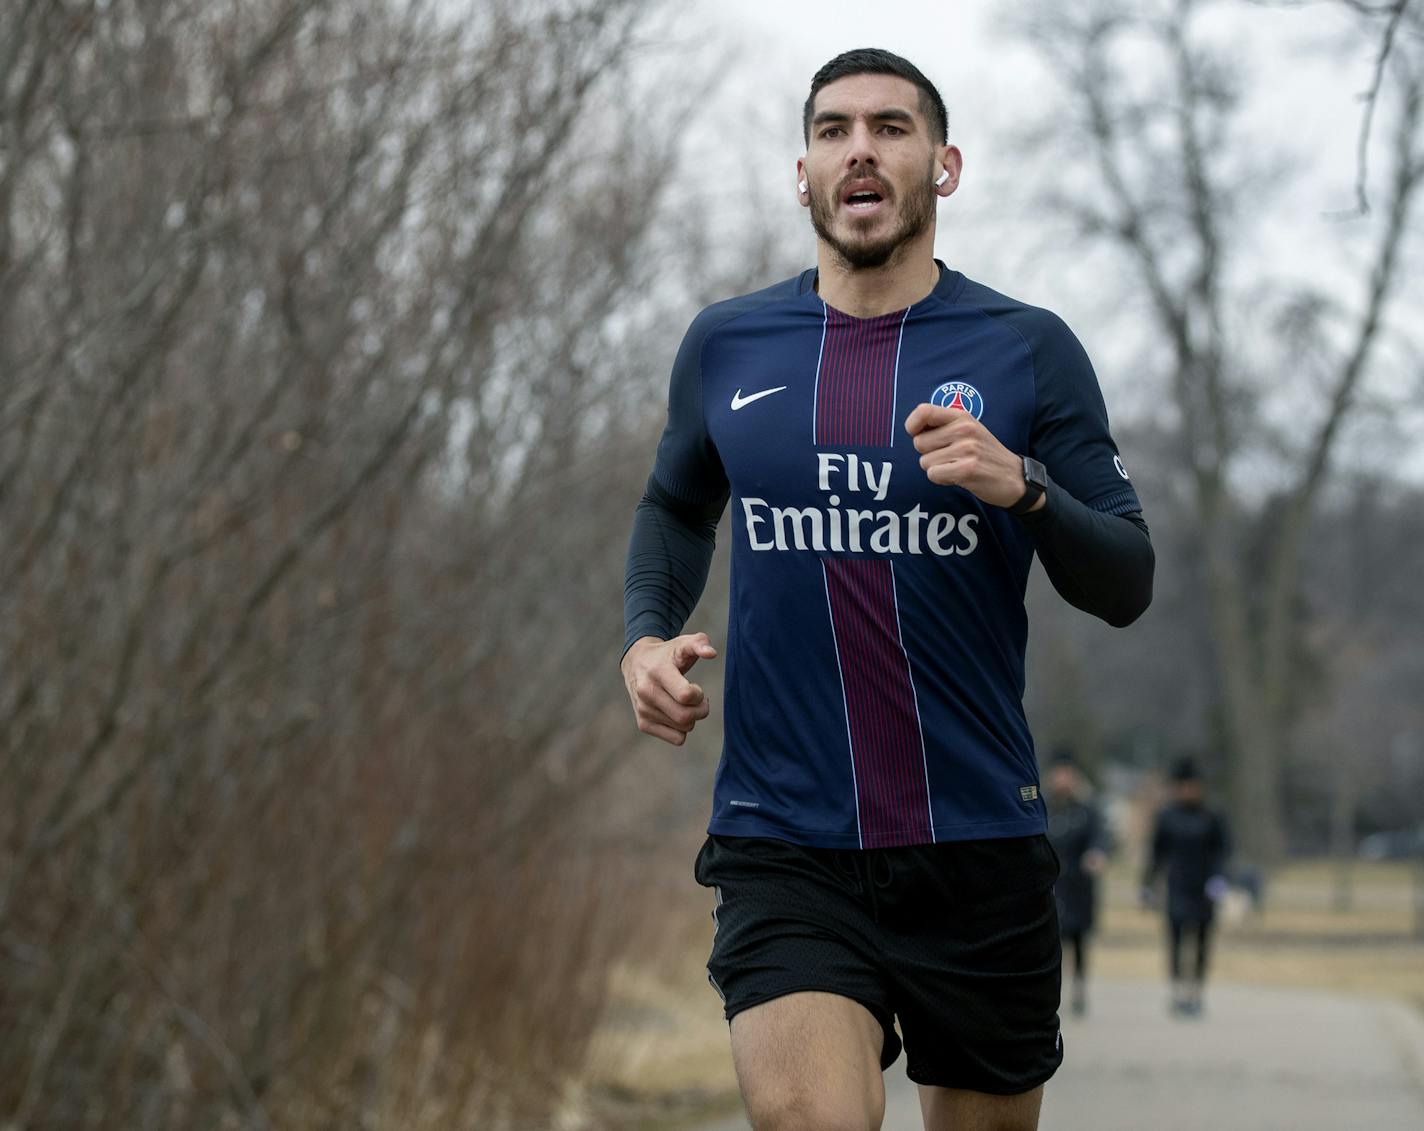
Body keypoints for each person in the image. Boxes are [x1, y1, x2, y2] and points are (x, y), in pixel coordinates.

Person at [620, 48, 1154, 1131]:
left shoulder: (1026, 350)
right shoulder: (727, 344)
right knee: (808, 1118)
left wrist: (1024, 487)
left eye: (890, 127)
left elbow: (1126, 580)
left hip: (972, 841)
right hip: (784, 837)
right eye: (832, 129)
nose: (858, 146)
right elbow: (676, 506)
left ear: (942, 166)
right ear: (803, 172)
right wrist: (644, 638)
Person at [1140, 757, 1231, 1018]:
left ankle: (1197, 993)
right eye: (1184, 786)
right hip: (1177, 886)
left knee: (1202, 941)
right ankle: (1178, 992)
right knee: (1176, 940)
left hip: (1204, 888)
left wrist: (1219, 878)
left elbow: (1222, 850)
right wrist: (1147, 884)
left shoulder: (1212, 815)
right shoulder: (1167, 816)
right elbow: (1157, 853)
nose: (1189, 791)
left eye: (1193, 785)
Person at [1045, 748, 1111, 1018]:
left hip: (1080, 888)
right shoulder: (1042, 807)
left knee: (1080, 941)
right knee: (1052, 944)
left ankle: (1080, 988)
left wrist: (1096, 855)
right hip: (1051, 887)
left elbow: (1100, 838)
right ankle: (1052, 992)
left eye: (1068, 774)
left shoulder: (1087, 811)